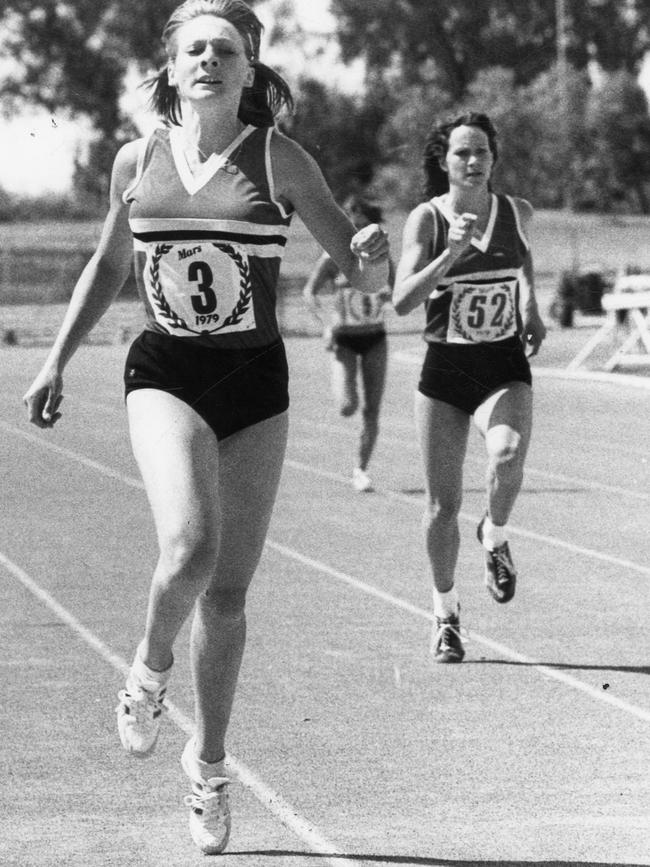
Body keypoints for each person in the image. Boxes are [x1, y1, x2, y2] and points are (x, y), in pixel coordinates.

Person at [22, 0, 389, 855]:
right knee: (189, 545)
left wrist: (374, 253)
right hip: (167, 371)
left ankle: (208, 766)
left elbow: (354, 260)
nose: (210, 62)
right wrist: (54, 361)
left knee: (227, 594)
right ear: (172, 66)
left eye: (226, 50)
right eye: (196, 50)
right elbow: (111, 265)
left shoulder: (281, 160)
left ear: (250, 70)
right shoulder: (136, 159)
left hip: (255, 378)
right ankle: (147, 674)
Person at [392, 112, 546, 664]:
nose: (473, 162)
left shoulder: (516, 212)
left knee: (506, 454)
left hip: (503, 363)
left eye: (481, 151)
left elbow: (523, 257)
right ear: (444, 161)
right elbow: (402, 300)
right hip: (445, 376)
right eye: (461, 153)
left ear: (494, 158)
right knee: (441, 508)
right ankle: (445, 614)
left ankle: (496, 535)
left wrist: (530, 304)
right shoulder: (426, 220)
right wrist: (450, 255)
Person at [303, 194, 393, 492]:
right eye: (354, 224)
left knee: (372, 409)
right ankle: (340, 377)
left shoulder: (382, 256)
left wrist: (386, 295)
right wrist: (326, 326)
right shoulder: (332, 258)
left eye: (365, 224)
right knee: (347, 406)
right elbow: (309, 293)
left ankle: (361, 469)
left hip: (375, 337)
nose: (361, 232)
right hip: (344, 339)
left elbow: (394, 289)